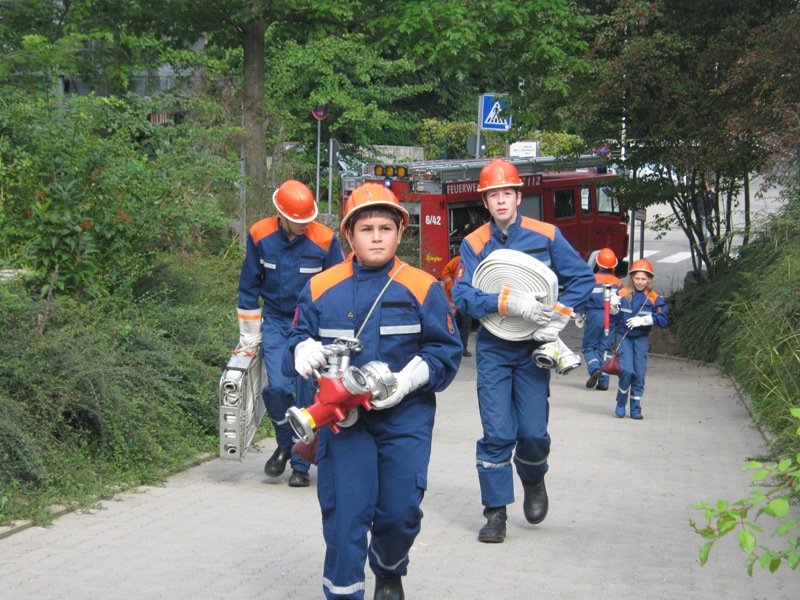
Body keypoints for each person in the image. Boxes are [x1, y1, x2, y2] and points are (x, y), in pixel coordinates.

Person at [283, 182, 462, 600]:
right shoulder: (320, 287)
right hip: (343, 423)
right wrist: (302, 348)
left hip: (405, 417)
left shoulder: (421, 286)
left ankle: (388, 566)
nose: (377, 236)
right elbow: (297, 335)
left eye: (386, 227)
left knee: (400, 513)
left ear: (401, 233)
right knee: (345, 517)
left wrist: (407, 382)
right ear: (349, 235)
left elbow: (445, 351)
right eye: (367, 228)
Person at [452, 158, 595, 544]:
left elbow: (582, 278)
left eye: (506, 193)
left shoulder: (546, 235)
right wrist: (505, 303)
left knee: (532, 433)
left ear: (518, 196)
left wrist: (559, 318)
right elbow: (462, 294)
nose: (500, 201)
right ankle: (495, 512)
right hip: (495, 348)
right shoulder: (474, 243)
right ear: (485, 201)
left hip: (534, 346)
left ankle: (534, 479)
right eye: (492, 195)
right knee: (497, 432)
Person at [237, 179, 344, 487]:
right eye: (297, 221)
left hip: (311, 326)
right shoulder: (260, 235)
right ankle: (286, 442)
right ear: (280, 214)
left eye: (307, 220)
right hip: (275, 321)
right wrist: (248, 335)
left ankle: (299, 465)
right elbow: (249, 285)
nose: (303, 225)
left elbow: (338, 286)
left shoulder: (325, 240)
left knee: (306, 392)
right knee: (276, 389)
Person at [611, 258, 668, 419]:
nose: (640, 282)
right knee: (627, 370)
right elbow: (613, 320)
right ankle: (621, 402)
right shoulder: (621, 294)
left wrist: (644, 320)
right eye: (637, 278)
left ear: (650, 279)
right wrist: (612, 310)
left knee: (639, 374)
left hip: (641, 338)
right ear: (631, 278)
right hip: (624, 337)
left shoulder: (654, 298)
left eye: (644, 279)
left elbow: (663, 320)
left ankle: (635, 408)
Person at [580, 248, 623, 391]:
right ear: (614, 266)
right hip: (611, 317)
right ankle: (604, 381)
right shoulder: (617, 282)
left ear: (598, 264)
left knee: (589, 346)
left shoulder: (592, 280)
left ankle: (594, 368)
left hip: (595, 315)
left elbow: (583, 299)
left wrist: (579, 313)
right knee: (605, 348)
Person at [441, 250, 473, 357]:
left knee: (465, 324)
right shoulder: (457, 261)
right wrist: (452, 288)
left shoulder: (473, 263)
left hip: (465, 299)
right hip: (452, 299)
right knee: (450, 324)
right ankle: (450, 347)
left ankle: (463, 347)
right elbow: (445, 273)